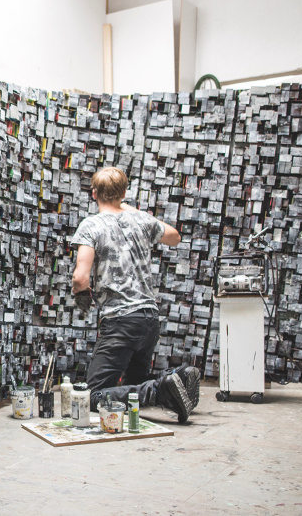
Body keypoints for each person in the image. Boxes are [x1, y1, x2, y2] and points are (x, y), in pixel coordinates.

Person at [70, 167, 200, 423]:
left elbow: (80, 277)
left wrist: (80, 292)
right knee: (134, 384)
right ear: (124, 193)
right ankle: (178, 377)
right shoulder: (141, 220)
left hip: (120, 321)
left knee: (94, 395)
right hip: (149, 320)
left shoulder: (91, 225)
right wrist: (128, 208)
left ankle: (160, 389)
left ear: (93, 193)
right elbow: (174, 237)